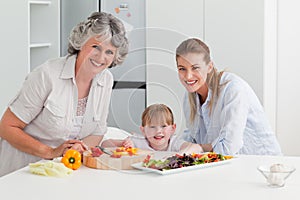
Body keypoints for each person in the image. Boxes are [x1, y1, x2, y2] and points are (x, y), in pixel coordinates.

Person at [0, 12, 129, 177]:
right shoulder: (47, 75)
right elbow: (7, 127)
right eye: (95, 47)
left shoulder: (105, 80)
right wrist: (50, 152)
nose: (101, 57)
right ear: (81, 44)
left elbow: (97, 131)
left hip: (62, 170)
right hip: (23, 170)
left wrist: (76, 149)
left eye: (109, 52)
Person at [175, 38, 282, 155]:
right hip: (228, 163)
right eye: (182, 69)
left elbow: (228, 147)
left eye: (195, 68)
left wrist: (199, 148)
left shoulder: (233, 89)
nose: (188, 76)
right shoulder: (189, 97)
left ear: (209, 67)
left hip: (262, 164)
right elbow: (192, 138)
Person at [102, 104, 204, 154]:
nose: (158, 131)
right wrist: (123, 143)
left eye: (163, 126)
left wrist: (178, 155)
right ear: (143, 130)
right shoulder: (138, 142)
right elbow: (105, 144)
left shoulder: (174, 142)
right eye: (152, 127)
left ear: (173, 128)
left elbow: (196, 147)